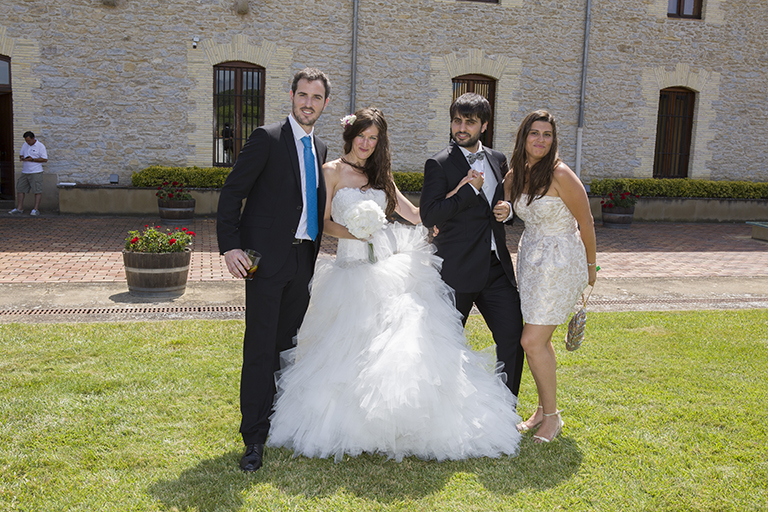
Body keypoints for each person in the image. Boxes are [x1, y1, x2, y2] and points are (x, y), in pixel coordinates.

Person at [267, 107, 522, 462]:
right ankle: (348, 420)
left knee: (390, 346)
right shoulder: (331, 171)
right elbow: (321, 222)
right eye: (362, 136)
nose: (366, 144)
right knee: (345, 348)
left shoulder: (381, 175)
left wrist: (460, 190)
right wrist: (356, 232)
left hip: (385, 267)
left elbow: (416, 215)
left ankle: (390, 418)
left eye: (373, 138)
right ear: (350, 135)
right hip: (349, 270)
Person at [216, 67, 331, 472]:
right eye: (303, 95)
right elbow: (233, 192)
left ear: (325, 104)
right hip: (264, 262)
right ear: (291, 96)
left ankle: (280, 419)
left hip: (303, 261)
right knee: (260, 348)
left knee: (287, 346)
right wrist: (230, 246)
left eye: (316, 97)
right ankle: (254, 438)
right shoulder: (266, 138)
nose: (308, 103)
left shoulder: (320, 148)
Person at [420, 93, 525, 399]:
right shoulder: (438, 163)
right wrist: (467, 191)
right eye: (457, 121)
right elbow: (430, 215)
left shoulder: (497, 159)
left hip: (496, 269)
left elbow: (507, 202)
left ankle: (506, 409)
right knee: (446, 345)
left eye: (470, 122)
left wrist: (509, 211)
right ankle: (443, 409)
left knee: (512, 338)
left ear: (484, 125)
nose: (461, 128)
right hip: (456, 269)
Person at [502, 110, 597, 443]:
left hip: (561, 261)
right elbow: (507, 209)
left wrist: (591, 268)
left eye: (547, 134)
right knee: (540, 340)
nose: (540, 140)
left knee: (531, 340)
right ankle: (543, 410)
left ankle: (553, 418)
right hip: (531, 260)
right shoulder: (514, 175)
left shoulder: (561, 174)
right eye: (534, 133)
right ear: (523, 137)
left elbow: (586, 222)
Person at [10, 131, 48, 216]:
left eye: (29, 140)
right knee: (20, 188)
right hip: (25, 171)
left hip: (36, 171)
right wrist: (22, 157)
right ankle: (19, 208)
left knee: (37, 190)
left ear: (33, 138)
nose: (27, 142)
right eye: (26, 140)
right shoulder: (25, 145)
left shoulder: (40, 146)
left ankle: (35, 209)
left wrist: (32, 159)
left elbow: (45, 159)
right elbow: (21, 154)